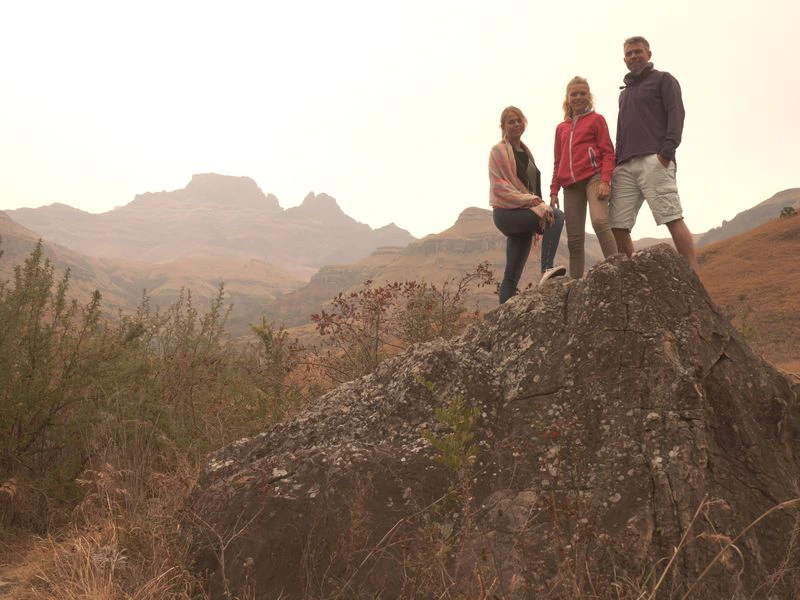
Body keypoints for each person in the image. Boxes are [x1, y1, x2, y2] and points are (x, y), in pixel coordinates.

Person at [609, 36, 698, 272]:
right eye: (629, 54)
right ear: (624, 60)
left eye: (638, 51)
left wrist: (666, 153)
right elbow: (621, 130)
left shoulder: (663, 79)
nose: (634, 56)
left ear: (648, 54)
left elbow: (676, 114)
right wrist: (617, 162)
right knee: (618, 225)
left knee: (672, 217)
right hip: (624, 165)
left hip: (654, 159)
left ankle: (694, 278)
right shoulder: (624, 93)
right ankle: (634, 278)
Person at [489, 106, 566, 304]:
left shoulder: (526, 152)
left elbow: (530, 186)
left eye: (519, 120)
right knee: (556, 215)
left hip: (523, 211)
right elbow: (500, 187)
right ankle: (547, 268)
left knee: (511, 275)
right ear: (503, 126)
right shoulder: (498, 151)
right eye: (511, 122)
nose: (516, 124)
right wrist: (533, 202)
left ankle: (505, 315)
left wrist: (535, 202)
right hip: (507, 213)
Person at [549, 76, 618, 279]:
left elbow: (608, 152)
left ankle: (619, 270)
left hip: (594, 178)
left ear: (589, 96)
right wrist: (554, 191)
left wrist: (605, 180)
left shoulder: (597, 120)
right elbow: (558, 161)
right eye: (574, 94)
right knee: (575, 239)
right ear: (568, 98)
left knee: (599, 221)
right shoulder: (561, 128)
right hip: (570, 186)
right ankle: (576, 284)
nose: (578, 97)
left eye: (582, 93)